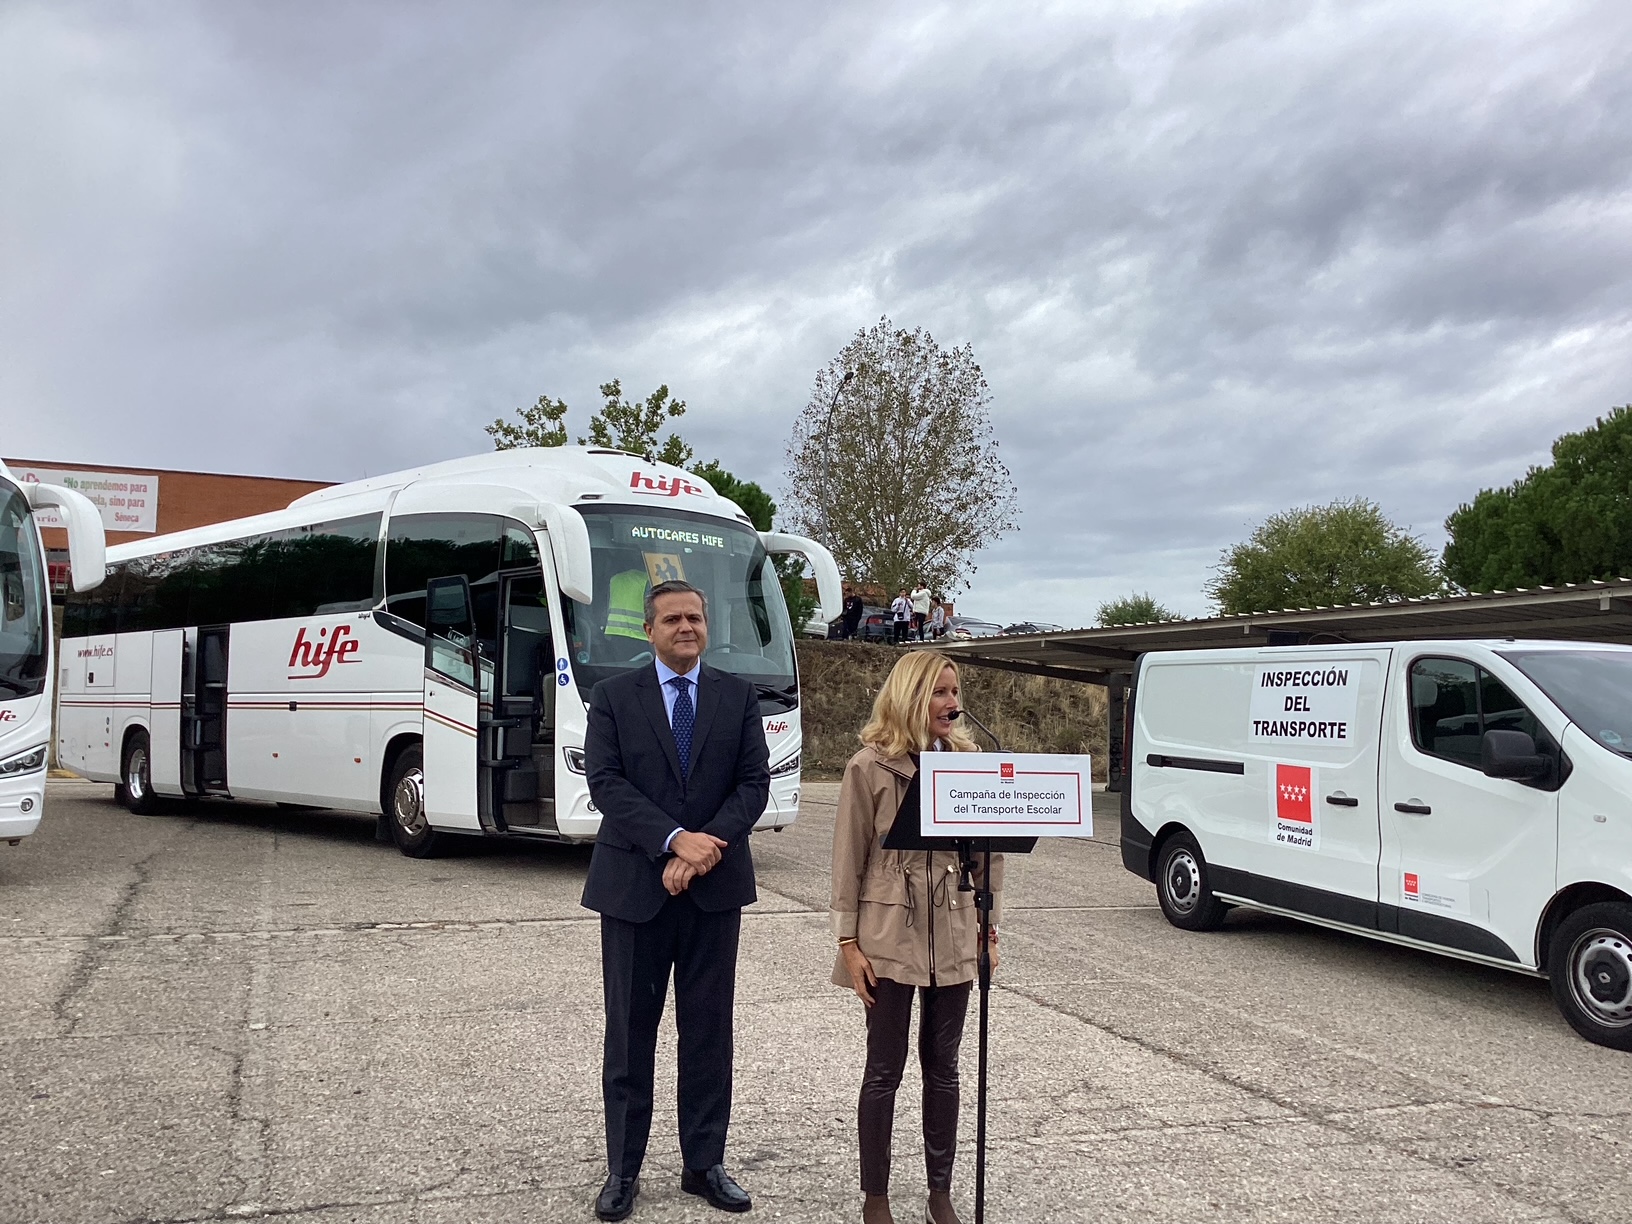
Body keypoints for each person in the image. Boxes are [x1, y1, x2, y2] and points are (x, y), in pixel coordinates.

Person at [582, 579, 770, 1220]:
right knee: (630, 1036)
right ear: (649, 629)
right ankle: (622, 1172)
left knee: (709, 1034)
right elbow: (605, 782)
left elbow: (753, 784)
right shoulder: (612, 698)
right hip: (635, 889)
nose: (686, 627)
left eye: (695, 617)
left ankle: (704, 1163)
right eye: (672, 619)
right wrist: (671, 843)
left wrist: (703, 847)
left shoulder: (739, 697)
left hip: (713, 893)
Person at [829, 651, 1003, 1224]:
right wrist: (847, 943)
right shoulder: (869, 767)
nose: (953, 704)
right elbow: (847, 860)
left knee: (944, 1066)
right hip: (886, 934)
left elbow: (988, 857)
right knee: (884, 1068)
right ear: (911, 697)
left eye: (955, 692)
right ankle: (875, 1198)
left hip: (953, 928)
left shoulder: (969, 763)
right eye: (940, 693)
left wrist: (989, 929)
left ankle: (939, 1193)